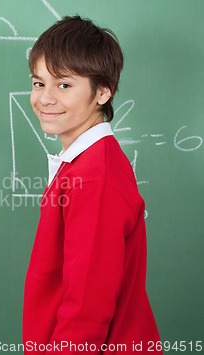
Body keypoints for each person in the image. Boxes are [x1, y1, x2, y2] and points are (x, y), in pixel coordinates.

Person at [23, 16, 162, 354]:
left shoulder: (94, 179)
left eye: (64, 85)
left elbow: (87, 309)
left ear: (103, 91)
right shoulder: (86, 164)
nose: (45, 99)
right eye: (39, 83)